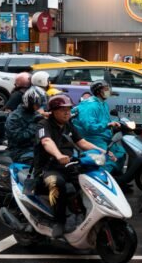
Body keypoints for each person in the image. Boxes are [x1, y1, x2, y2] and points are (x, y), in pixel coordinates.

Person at [33, 94, 102, 238]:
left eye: (69, 109)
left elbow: (82, 142)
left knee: (90, 181)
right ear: (53, 111)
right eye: (63, 109)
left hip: (68, 166)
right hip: (48, 168)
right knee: (56, 183)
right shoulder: (43, 125)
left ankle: (84, 213)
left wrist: (103, 152)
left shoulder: (68, 125)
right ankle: (59, 221)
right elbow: (46, 141)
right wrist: (58, 155)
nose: (67, 112)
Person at [72, 81, 124, 172]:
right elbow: (90, 127)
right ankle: (102, 179)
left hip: (103, 136)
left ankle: (116, 176)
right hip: (92, 138)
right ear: (98, 92)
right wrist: (107, 125)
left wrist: (113, 124)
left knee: (120, 152)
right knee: (106, 157)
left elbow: (104, 120)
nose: (108, 91)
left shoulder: (103, 104)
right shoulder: (90, 105)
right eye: (106, 89)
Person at [5, 87, 48, 162]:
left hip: (35, 147)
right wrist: (35, 124)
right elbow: (18, 138)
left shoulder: (34, 113)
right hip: (20, 151)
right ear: (29, 103)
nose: (39, 107)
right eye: (37, 105)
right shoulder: (15, 117)